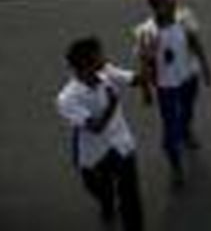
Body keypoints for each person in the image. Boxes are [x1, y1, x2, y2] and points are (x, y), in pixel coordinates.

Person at [56, 36, 145, 230]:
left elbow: (133, 79)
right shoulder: (67, 98)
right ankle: (107, 202)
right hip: (95, 153)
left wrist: (149, 64)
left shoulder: (106, 71)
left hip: (121, 145)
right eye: (99, 55)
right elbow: (95, 127)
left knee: (130, 195)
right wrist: (112, 105)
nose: (104, 58)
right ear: (86, 64)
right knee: (97, 187)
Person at [134, 0, 211, 187]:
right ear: (156, 8)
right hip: (166, 85)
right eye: (168, 3)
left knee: (187, 109)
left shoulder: (184, 18)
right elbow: (144, 61)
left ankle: (186, 129)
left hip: (188, 76)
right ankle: (175, 166)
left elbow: (195, 41)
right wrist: (146, 90)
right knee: (169, 129)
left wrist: (204, 66)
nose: (174, 5)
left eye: (173, 1)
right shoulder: (146, 32)